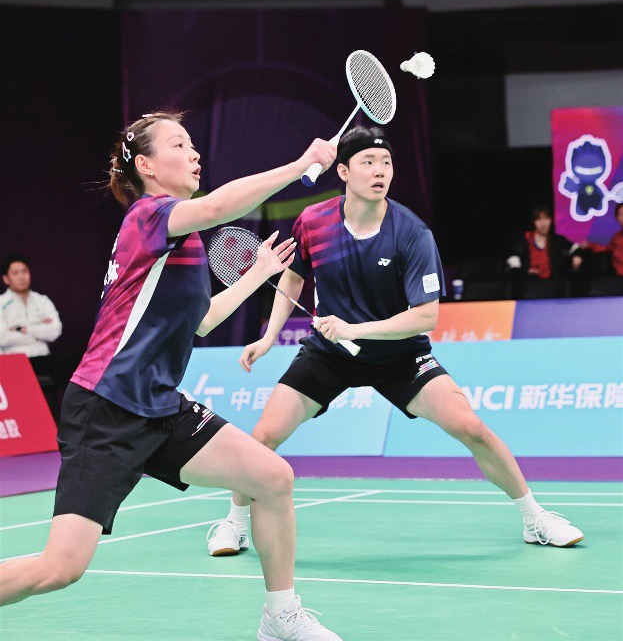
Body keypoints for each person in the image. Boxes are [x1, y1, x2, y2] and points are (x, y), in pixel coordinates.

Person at [0, 111, 344, 641]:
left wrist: (257, 274)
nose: (194, 153)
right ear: (146, 166)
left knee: (273, 478)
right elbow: (218, 206)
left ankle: (280, 617)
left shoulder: (183, 239)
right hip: (107, 408)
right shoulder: (149, 216)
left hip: (159, 404)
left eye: (192, 144)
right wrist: (302, 165)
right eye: (179, 145)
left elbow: (203, 319)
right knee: (60, 568)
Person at [207, 126, 584, 559]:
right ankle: (234, 524)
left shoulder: (411, 232)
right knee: (264, 435)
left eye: (386, 162)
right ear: (343, 172)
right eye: (368, 162)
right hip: (329, 355)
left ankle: (535, 518)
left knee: (471, 427)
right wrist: (269, 337)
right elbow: (293, 277)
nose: (380, 171)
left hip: (399, 354)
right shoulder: (314, 222)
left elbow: (426, 317)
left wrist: (355, 330)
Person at [0, 253, 64, 417]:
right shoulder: (1, 303)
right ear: (6, 279)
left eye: (25, 271)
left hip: (41, 359)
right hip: (14, 361)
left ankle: (58, 421)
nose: (21, 277)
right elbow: (2, 337)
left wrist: (23, 329)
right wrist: (39, 329)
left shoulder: (42, 300)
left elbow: (55, 331)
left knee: (69, 363)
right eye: (16, 273)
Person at [506, 204, 583, 279]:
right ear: (533, 222)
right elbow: (513, 266)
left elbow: (575, 248)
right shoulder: (524, 240)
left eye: (546, 219)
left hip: (553, 284)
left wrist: (577, 256)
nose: (543, 224)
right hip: (529, 284)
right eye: (539, 219)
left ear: (551, 220)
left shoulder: (558, 240)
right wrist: (525, 272)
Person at [580, 202, 623, 276]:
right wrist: (589, 245)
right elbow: (606, 249)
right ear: (617, 218)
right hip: (618, 278)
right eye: (621, 214)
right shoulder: (616, 237)